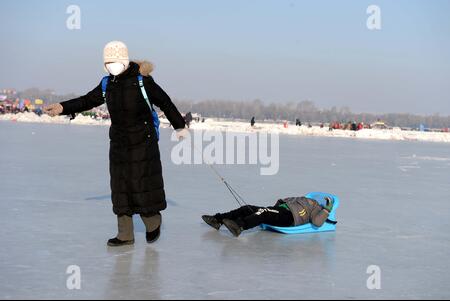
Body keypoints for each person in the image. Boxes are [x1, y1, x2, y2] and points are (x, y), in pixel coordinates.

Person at [43, 41, 188, 247]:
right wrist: (62, 107)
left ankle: (152, 221)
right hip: (119, 142)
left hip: (143, 141)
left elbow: (165, 102)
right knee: (120, 186)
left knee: (141, 183)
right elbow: (87, 101)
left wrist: (180, 126)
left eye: (116, 61)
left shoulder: (142, 81)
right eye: (108, 62)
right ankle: (125, 234)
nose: (112, 65)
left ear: (125, 61)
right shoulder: (107, 84)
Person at [202, 195, 334, 237]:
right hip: (279, 211)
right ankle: (217, 220)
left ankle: (240, 227)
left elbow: (317, 223)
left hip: (289, 217)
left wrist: (327, 208)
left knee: (263, 213)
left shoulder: (318, 209)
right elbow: (284, 201)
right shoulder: (303, 198)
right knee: (247, 208)